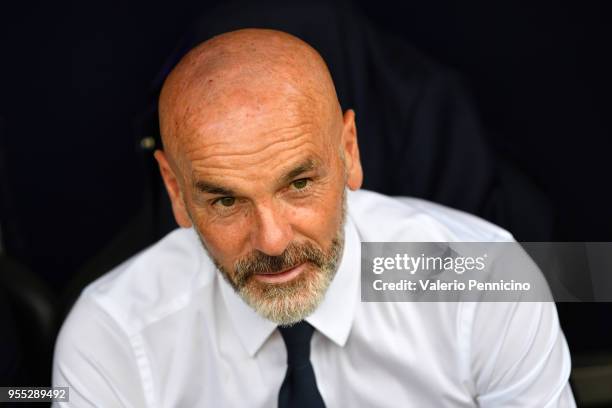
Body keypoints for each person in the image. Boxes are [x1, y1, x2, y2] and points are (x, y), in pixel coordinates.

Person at [52, 28, 575, 407]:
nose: (274, 241)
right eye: (226, 201)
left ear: (349, 151)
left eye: (299, 184)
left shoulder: (485, 283)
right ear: (175, 190)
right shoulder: (111, 339)